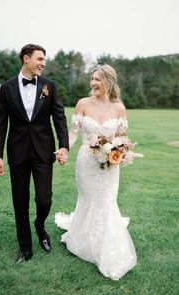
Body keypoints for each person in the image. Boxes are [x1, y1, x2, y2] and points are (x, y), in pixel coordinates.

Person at [55, 64, 137, 280]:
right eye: (92, 79)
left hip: (110, 165)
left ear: (109, 81)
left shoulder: (119, 108)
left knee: (107, 201)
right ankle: (83, 238)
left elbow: (122, 137)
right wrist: (64, 149)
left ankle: (105, 244)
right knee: (88, 199)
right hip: (86, 164)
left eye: (98, 80)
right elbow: (73, 134)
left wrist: (120, 149)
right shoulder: (83, 104)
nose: (93, 84)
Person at [0, 44, 69, 264]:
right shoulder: (7, 88)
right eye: (40, 59)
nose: (43, 63)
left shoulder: (49, 86)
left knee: (44, 199)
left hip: (44, 152)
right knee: (20, 201)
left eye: (44, 59)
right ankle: (25, 248)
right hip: (17, 153)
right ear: (26, 59)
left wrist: (63, 145)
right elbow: (0, 124)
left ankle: (39, 224)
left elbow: (59, 118)